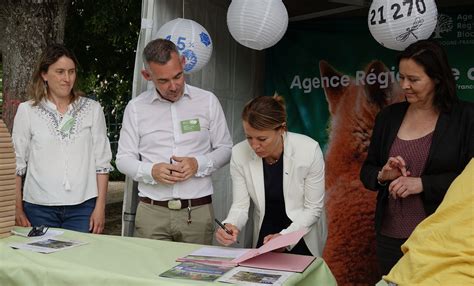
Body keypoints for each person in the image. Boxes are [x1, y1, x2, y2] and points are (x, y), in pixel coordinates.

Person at [360, 39, 474, 275]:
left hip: (443, 239)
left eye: (414, 79)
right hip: (390, 235)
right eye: (401, 78)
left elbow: (470, 181)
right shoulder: (388, 117)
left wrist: (423, 184)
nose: (405, 86)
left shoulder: (465, 117)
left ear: (437, 78)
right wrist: (383, 175)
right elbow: (367, 171)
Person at [116, 39, 232, 245]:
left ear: (183, 62)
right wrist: (151, 170)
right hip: (151, 212)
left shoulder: (207, 101)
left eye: (178, 76)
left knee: (195, 275)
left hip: (196, 212)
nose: (173, 86)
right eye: (163, 80)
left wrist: (198, 164)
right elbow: (123, 159)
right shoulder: (136, 108)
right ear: (147, 76)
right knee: (149, 274)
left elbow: (225, 149)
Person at [13, 44, 113, 234]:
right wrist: (18, 208)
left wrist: (100, 208)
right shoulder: (27, 111)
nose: (67, 79)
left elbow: (102, 163)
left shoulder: (92, 109)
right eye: (60, 72)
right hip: (38, 207)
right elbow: (17, 165)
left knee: (80, 260)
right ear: (44, 74)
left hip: (83, 207)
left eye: (71, 72)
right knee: (41, 262)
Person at [215, 95, 327, 256]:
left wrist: (284, 237)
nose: (254, 146)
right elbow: (240, 206)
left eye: (262, 139)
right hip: (266, 234)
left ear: (281, 129)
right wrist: (231, 224)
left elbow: (313, 209)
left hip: (302, 233)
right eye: (249, 138)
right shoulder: (239, 153)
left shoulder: (309, 150)